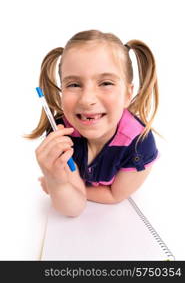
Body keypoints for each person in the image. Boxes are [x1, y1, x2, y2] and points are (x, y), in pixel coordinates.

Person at [26, 29, 160, 217]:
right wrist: (57, 182)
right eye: (73, 84)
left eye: (106, 83)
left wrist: (71, 188)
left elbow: (115, 195)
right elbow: (73, 208)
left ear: (127, 95)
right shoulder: (62, 133)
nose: (87, 99)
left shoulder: (139, 145)